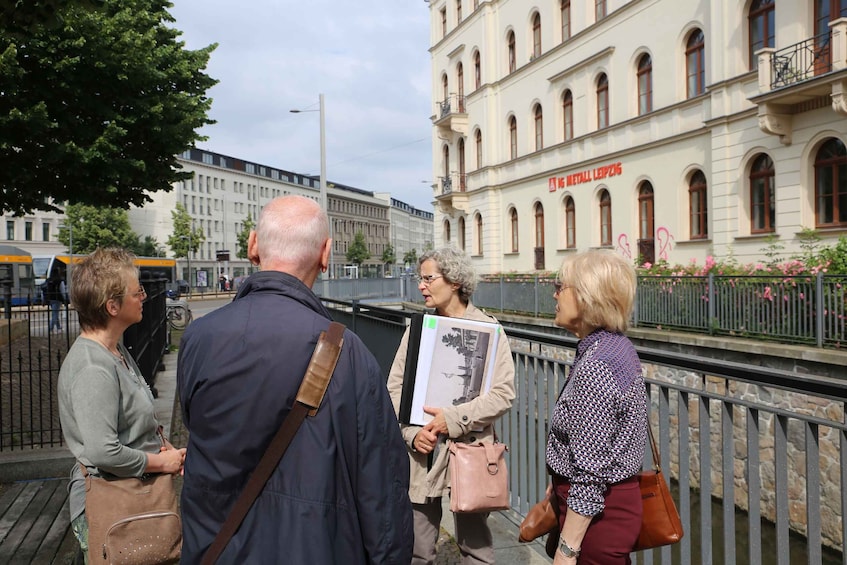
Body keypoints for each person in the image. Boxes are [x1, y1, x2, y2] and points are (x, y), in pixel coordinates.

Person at [177, 195, 413, 564]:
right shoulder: (349, 354)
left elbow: (194, 427)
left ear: (252, 244)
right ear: (326, 254)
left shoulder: (199, 338)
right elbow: (382, 487)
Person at [387, 246, 516, 565]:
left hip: (470, 454)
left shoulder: (489, 330)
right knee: (417, 550)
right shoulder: (417, 331)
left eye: (429, 278)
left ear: (455, 280)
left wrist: (453, 419)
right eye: (421, 278)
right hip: (423, 454)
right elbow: (393, 389)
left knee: (476, 551)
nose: (421, 285)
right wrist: (412, 435)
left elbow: (503, 393)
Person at [57, 247, 186, 562]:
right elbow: (103, 452)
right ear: (112, 306)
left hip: (135, 500)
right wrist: (162, 463)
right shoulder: (93, 367)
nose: (143, 296)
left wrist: (166, 448)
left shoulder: (115, 351)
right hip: (115, 505)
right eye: (136, 291)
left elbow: (137, 420)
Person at [546, 250, 649, 564]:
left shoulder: (598, 364)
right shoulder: (615, 347)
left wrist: (567, 549)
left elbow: (591, 471)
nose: (554, 293)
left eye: (561, 286)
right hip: (605, 512)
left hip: (597, 522)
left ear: (587, 296)